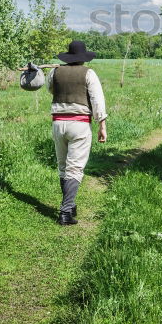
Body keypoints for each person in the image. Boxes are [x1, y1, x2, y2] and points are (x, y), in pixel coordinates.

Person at [27, 40, 108, 226]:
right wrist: (101, 124)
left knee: (63, 167)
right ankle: (65, 212)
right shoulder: (89, 73)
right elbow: (97, 100)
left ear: (68, 56)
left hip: (58, 123)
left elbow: (49, 89)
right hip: (79, 124)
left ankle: (70, 207)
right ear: (83, 58)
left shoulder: (55, 71)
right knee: (75, 168)